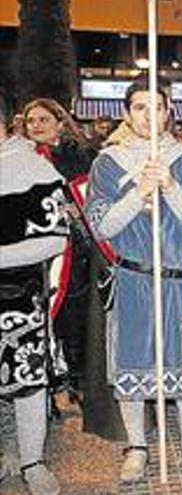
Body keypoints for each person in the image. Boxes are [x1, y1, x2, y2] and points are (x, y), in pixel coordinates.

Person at [85, 78, 182, 481]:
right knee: (133, 367)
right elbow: (102, 227)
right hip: (134, 281)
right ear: (127, 113)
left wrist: (171, 187)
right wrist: (137, 194)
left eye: (156, 107)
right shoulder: (108, 162)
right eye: (139, 107)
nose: (148, 115)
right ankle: (138, 447)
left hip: (179, 281)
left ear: (168, 113)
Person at [0, 105, 66, 495]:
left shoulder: (34, 168)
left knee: (26, 380)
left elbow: (54, 237)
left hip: (18, 296)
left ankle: (32, 460)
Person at [24, 99, 99, 400]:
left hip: (74, 247)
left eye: (43, 119)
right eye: (31, 121)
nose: (37, 126)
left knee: (74, 314)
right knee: (41, 313)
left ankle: (78, 380)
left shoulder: (81, 156)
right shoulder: (22, 158)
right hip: (35, 247)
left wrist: (78, 209)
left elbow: (91, 196)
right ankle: (45, 382)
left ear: (59, 122)